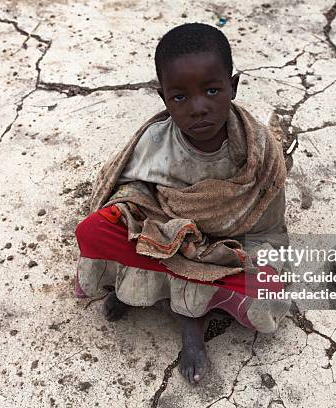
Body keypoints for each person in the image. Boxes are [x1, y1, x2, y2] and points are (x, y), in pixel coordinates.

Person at [75, 22, 291, 384]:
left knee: (267, 286)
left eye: (211, 90)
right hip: (166, 240)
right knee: (94, 230)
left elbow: (268, 224)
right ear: (164, 98)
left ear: (232, 87)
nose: (198, 108)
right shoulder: (155, 142)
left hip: (226, 250)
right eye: (180, 97)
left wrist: (230, 254)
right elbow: (131, 194)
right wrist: (136, 219)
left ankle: (179, 312)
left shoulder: (258, 149)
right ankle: (165, 302)